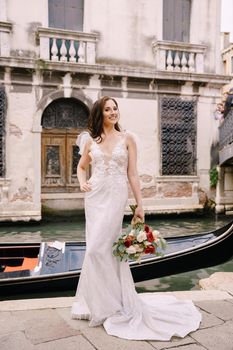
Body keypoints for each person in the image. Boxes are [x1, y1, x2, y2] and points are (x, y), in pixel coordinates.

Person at [71, 96, 201, 340]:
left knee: (99, 250)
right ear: (100, 114)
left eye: (115, 108)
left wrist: (140, 204)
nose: (112, 112)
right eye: (107, 109)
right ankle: (103, 304)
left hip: (116, 196)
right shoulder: (90, 140)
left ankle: (113, 303)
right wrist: (81, 183)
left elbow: (132, 174)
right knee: (96, 250)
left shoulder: (127, 138)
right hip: (95, 196)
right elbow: (80, 167)